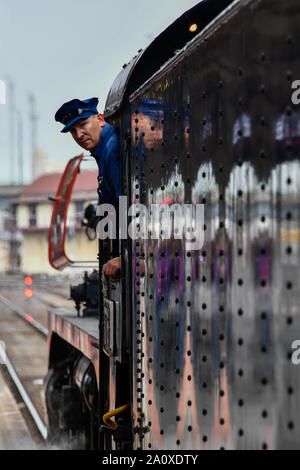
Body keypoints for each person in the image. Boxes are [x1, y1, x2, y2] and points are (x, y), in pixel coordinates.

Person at [55, 97, 121, 278]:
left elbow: (133, 204)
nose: (79, 135)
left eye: (83, 125)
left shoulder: (111, 150)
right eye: (73, 131)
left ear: (100, 120)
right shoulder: (103, 149)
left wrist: (126, 257)